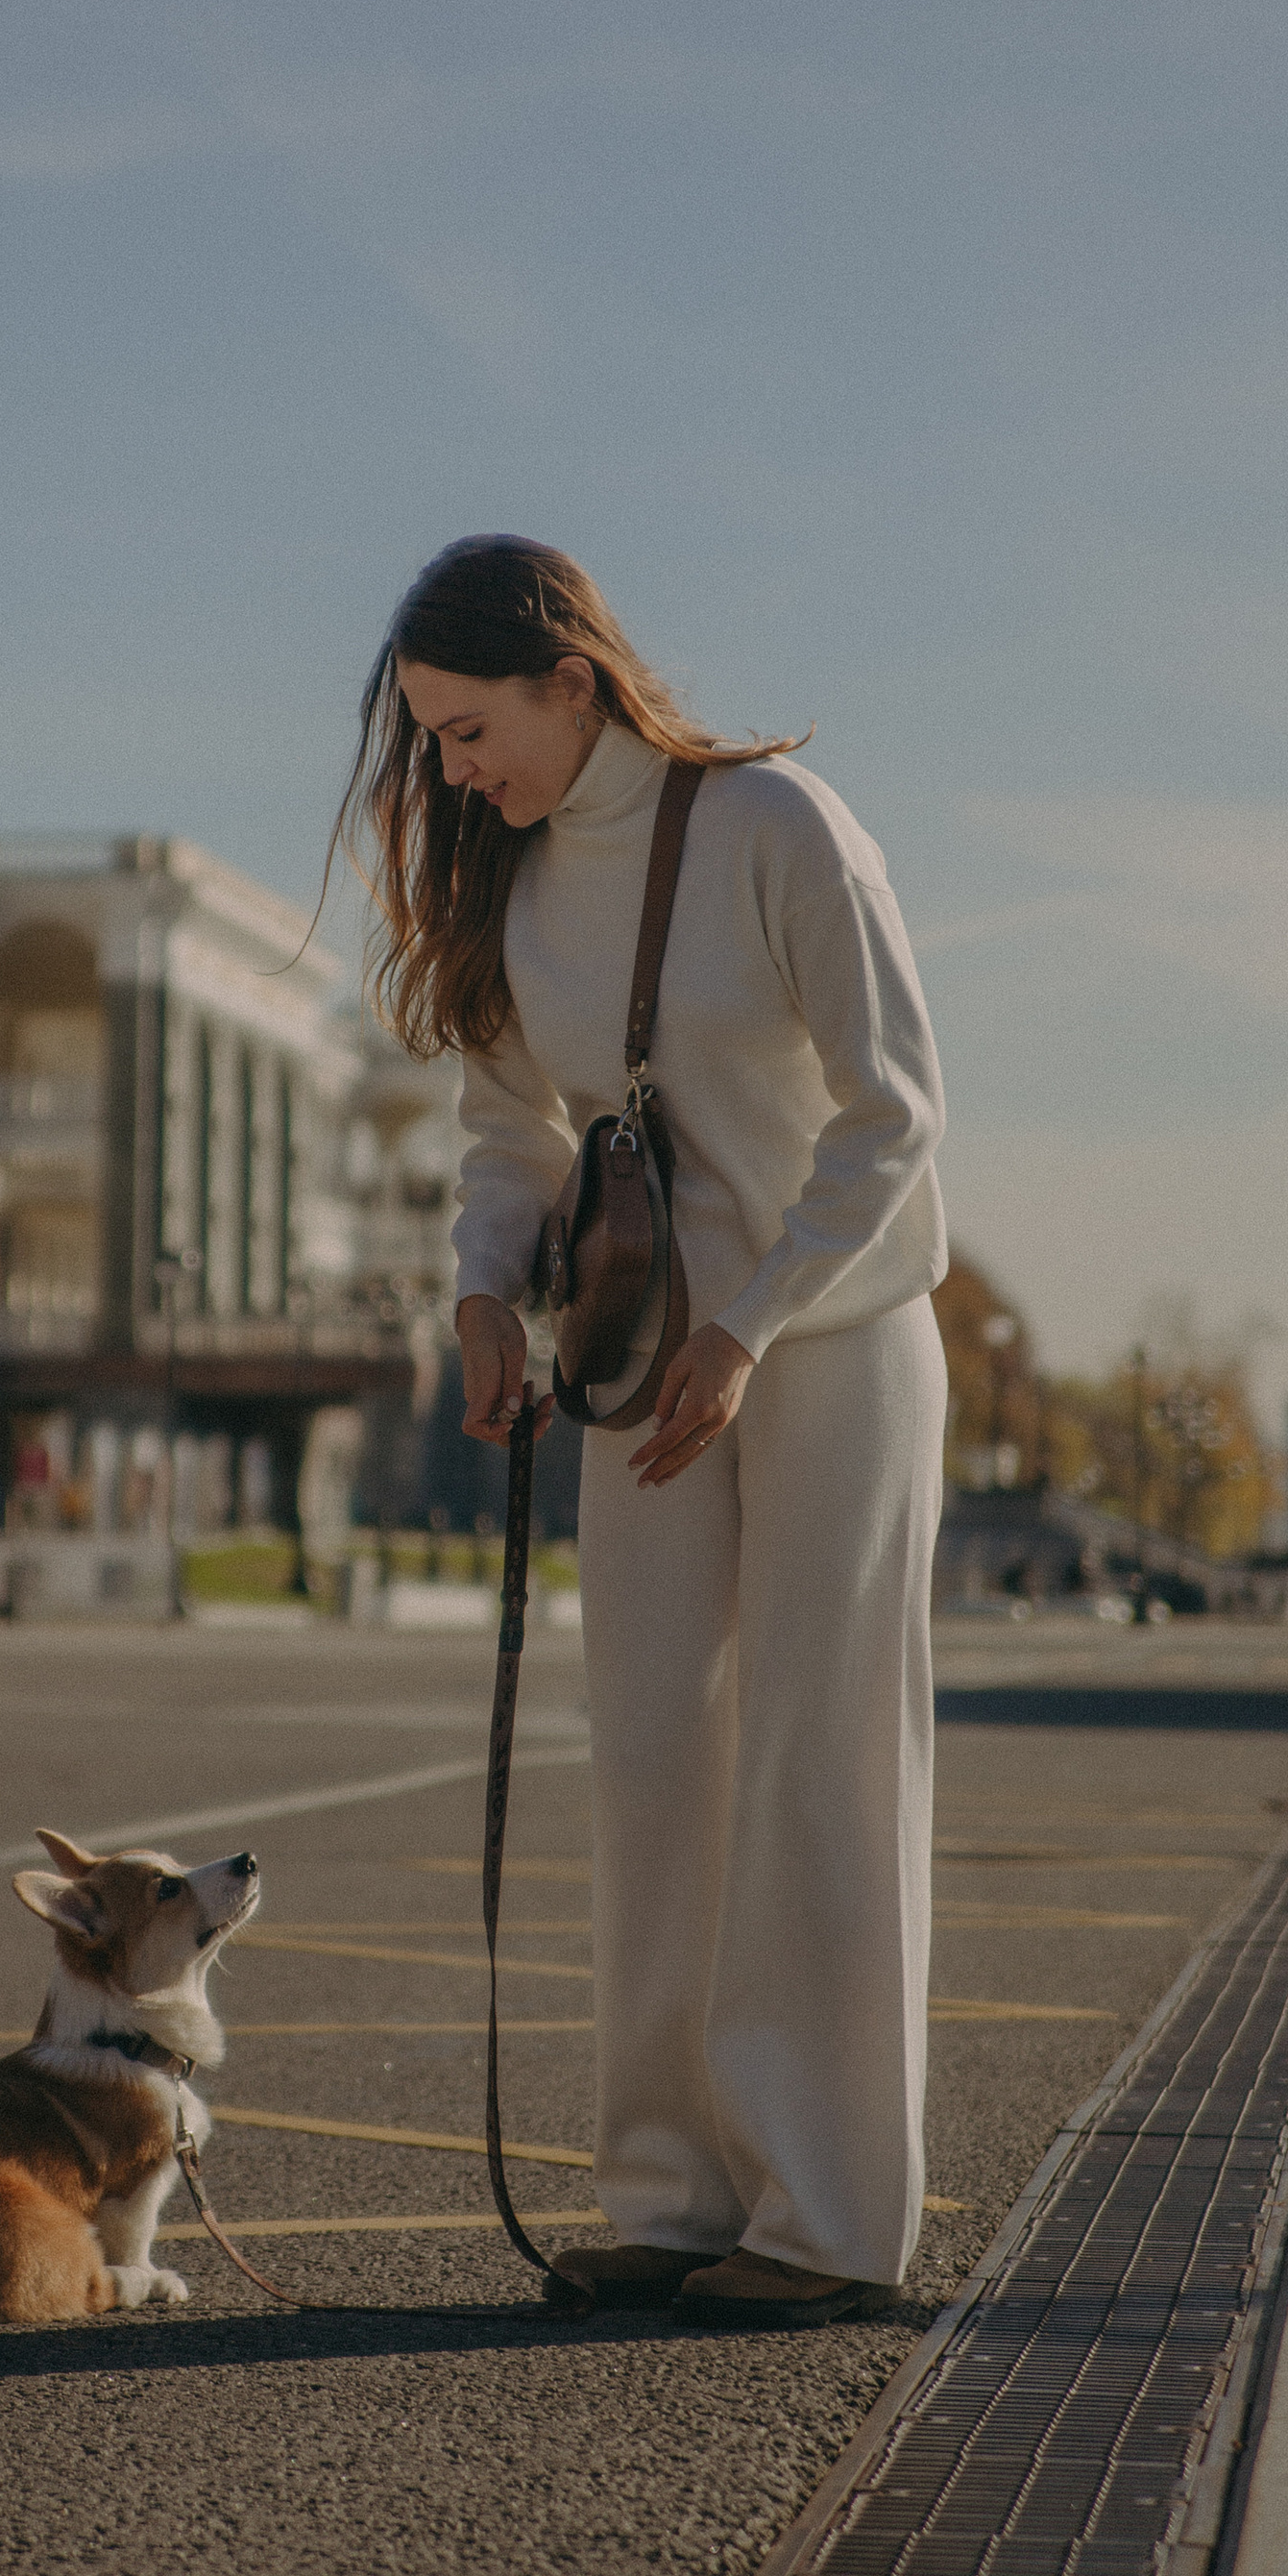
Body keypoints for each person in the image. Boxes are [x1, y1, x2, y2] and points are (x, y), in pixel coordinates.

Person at [333, 536, 947, 2326]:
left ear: (572, 683)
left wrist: (754, 1328)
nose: (455, 772)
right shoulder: (520, 890)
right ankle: (672, 2198)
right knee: (653, 1768)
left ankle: (827, 2223)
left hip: (829, 1343)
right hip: (636, 1363)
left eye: (468, 731)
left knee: (815, 1767)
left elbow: (898, 1118)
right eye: (433, 743)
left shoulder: (781, 833)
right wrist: (478, 1291)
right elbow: (515, 1134)